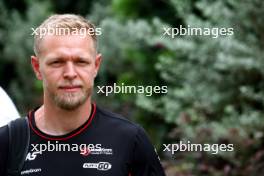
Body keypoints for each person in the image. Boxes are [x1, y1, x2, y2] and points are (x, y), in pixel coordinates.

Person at [0, 14, 166, 176]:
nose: (70, 73)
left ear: (96, 65)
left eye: (81, 62)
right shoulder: (7, 142)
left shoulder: (130, 140)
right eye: (57, 62)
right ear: (37, 67)